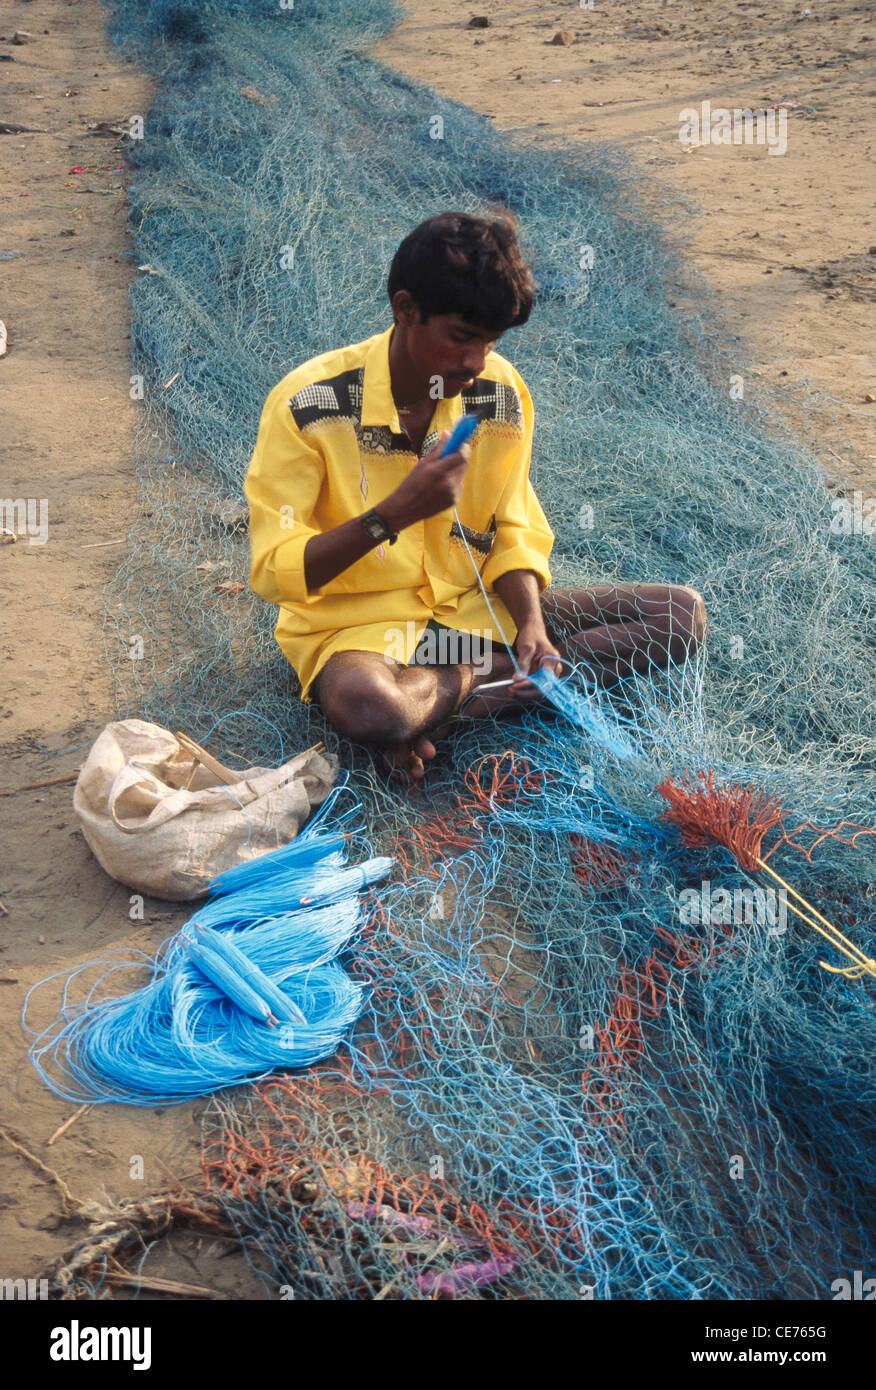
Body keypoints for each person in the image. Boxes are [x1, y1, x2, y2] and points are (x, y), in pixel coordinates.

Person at [245, 210, 707, 781]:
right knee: (372, 707)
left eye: (490, 341)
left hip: (468, 615)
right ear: (406, 310)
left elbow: (513, 525)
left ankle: (443, 708)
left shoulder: (499, 393)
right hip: (362, 634)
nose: (475, 363)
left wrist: (532, 627)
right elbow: (274, 570)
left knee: (679, 613)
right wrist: (393, 513)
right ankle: (474, 684)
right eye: (462, 338)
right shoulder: (309, 405)